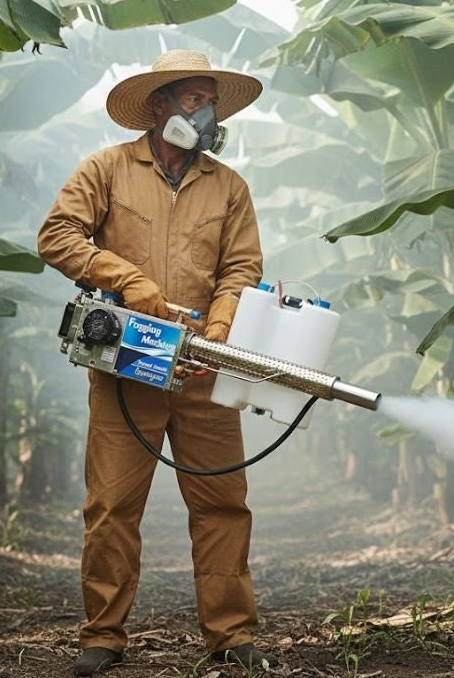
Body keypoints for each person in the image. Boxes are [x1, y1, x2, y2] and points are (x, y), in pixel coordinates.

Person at [37, 50, 277, 676]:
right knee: (112, 507)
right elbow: (57, 235)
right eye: (194, 100)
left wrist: (219, 329)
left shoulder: (229, 187)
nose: (206, 114)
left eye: (211, 102)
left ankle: (231, 636)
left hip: (203, 365)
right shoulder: (107, 169)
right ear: (159, 105)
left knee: (222, 503)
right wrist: (128, 280)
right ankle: (102, 637)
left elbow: (241, 268)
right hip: (128, 361)